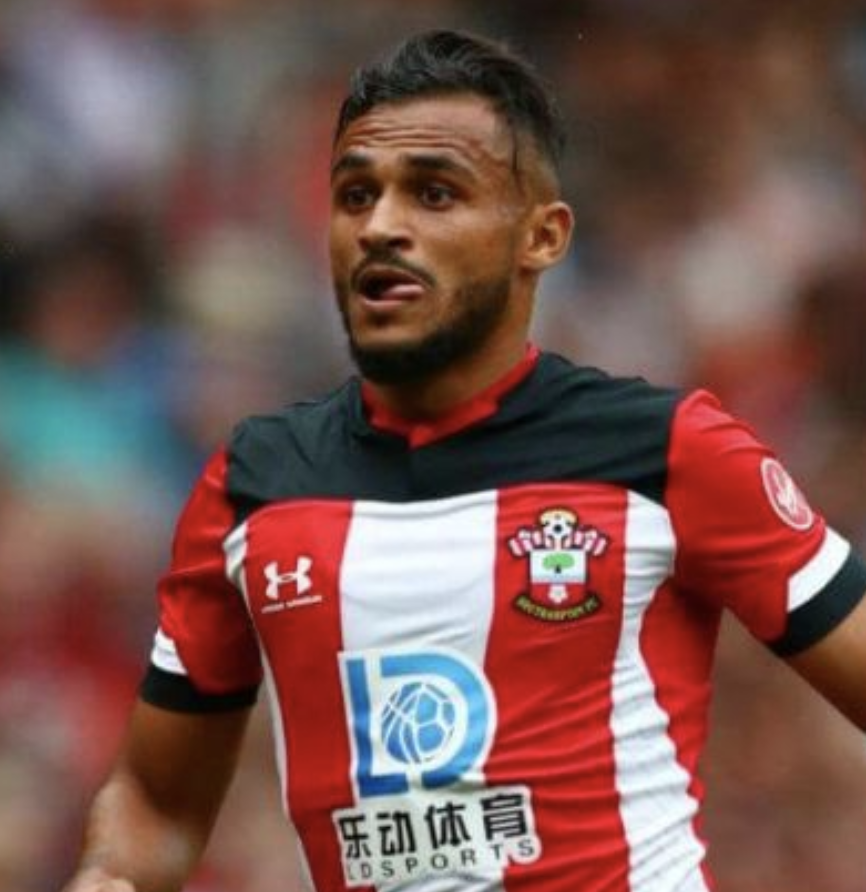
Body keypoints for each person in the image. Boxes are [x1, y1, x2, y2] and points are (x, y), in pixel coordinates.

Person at [62, 29, 866, 892]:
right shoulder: (254, 485)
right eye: (355, 195)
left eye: (434, 193)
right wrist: (109, 873)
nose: (381, 226)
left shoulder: (665, 453)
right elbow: (158, 802)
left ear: (541, 237)